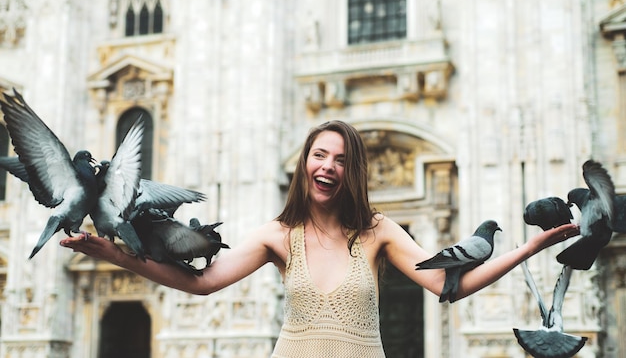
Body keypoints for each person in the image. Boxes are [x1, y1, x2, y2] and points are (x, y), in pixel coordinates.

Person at [60, 120, 579, 358]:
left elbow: (450, 284)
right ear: (306, 165)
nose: (329, 166)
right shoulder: (277, 235)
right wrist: (115, 255)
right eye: (319, 155)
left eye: (341, 159)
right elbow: (202, 283)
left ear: (352, 171)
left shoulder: (378, 231)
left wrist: (530, 248)